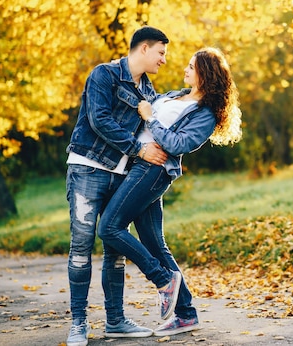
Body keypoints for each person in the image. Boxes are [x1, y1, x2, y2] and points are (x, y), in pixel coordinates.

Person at [98, 47, 242, 337]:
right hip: (137, 164)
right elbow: (142, 109)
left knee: (109, 227)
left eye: (191, 66)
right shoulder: (176, 95)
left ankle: (163, 279)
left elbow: (176, 144)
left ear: (205, 73)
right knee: (154, 243)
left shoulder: (206, 115)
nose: (185, 70)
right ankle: (186, 314)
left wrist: (150, 119)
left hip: (152, 172)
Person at [65, 26, 170, 346]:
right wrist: (139, 150)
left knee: (115, 251)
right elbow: (99, 119)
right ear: (143, 49)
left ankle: (115, 321)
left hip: (121, 176)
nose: (164, 60)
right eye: (161, 52)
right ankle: (79, 323)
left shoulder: (150, 93)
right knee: (82, 246)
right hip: (87, 169)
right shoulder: (104, 75)